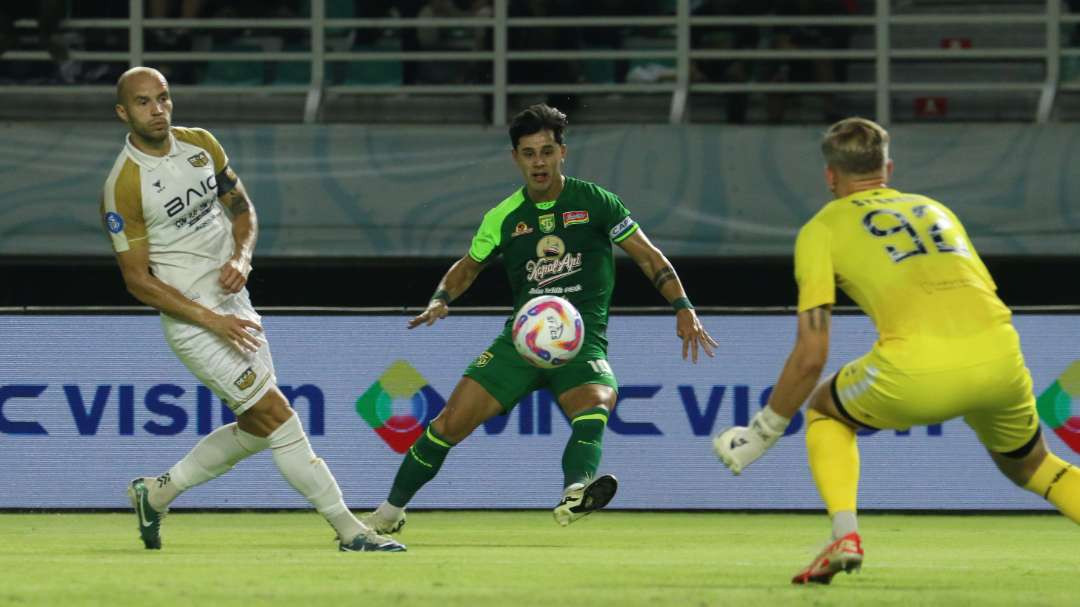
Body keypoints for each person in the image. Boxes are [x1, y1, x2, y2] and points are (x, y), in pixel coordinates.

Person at [713, 117, 1080, 584]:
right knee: (1035, 466)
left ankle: (845, 535)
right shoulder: (934, 209)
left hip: (918, 369)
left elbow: (811, 354)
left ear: (830, 176)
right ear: (887, 166)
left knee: (826, 407)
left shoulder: (820, 229)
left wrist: (762, 433)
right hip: (1001, 355)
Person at [362, 103, 718, 533]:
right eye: (529, 153)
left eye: (547, 151)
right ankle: (388, 514)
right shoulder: (504, 216)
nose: (539, 162)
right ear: (516, 158)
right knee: (447, 424)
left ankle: (575, 493)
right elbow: (469, 265)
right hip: (521, 341)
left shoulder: (596, 202)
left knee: (598, 403)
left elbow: (648, 256)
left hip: (578, 341)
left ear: (562, 152)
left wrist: (683, 307)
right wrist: (441, 297)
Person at [100, 67, 404, 553]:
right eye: (143, 102)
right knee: (277, 416)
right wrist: (210, 320)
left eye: (163, 98)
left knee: (258, 428)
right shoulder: (124, 185)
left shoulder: (201, 144)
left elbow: (242, 209)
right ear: (123, 112)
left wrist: (241, 257)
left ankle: (156, 493)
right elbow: (137, 280)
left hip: (235, 306)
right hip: (195, 321)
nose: (157, 110)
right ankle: (351, 529)